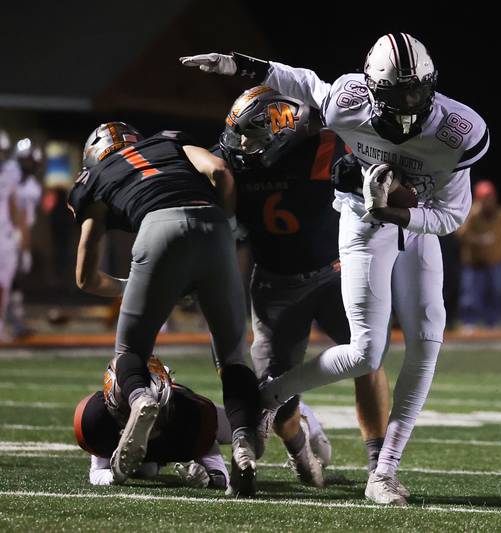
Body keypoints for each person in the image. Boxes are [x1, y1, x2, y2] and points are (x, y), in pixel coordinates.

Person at [181, 32, 489, 505]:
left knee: (427, 341)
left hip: (416, 222)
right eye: (396, 93)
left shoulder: (457, 130)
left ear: (431, 85)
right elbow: (301, 82)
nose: (408, 101)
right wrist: (239, 65)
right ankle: (270, 396)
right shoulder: (349, 102)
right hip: (363, 219)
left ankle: (383, 472)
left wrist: (398, 212)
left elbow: (450, 218)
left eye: (416, 90)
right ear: (372, 91)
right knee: (367, 352)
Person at [67, 123, 261, 497]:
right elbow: (220, 171)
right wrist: (229, 225)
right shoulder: (168, 141)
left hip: (158, 229)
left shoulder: (93, 177)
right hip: (215, 227)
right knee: (234, 357)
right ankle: (242, 444)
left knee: (130, 352)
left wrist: (139, 286)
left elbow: (85, 278)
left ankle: (140, 400)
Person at [215, 86, 392, 486]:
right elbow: (208, 162)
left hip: (336, 273)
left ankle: (380, 464)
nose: (242, 144)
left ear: (281, 132)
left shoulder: (324, 147)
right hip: (276, 283)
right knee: (273, 395)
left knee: (370, 355)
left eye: (253, 135)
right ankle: (300, 449)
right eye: (239, 133)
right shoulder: (232, 161)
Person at [74, 355, 229, 489]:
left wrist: (211, 477)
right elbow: (97, 472)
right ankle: (151, 463)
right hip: (155, 451)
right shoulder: (98, 419)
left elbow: (216, 465)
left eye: (157, 411)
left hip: (182, 409)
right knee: (143, 470)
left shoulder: (188, 413)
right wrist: (113, 476)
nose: (150, 423)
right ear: (113, 407)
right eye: (135, 414)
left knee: (247, 429)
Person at [456, 180, 501, 329]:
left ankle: (494, 322)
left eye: (490, 196)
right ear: (478, 198)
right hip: (474, 262)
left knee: (497, 292)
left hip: (496, 261)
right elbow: (460, 233)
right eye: (484, 197)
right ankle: (469, 322)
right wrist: (478, 240)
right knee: (470, 295)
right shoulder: (472, 213)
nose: (488, 200)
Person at [7, 138, 43, 338]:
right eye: (26, 160)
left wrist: (26, 247)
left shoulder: (31, 186)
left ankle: (17, 323)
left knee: (15, 282)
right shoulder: (9, 177)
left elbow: (25, 219)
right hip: (8, 233)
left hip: (17, 234)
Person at [0, 129, 29, 342]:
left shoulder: (9, 171)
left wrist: (19, 233)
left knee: (4, 284)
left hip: (5, 235)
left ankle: (0, 324)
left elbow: (14, 204)